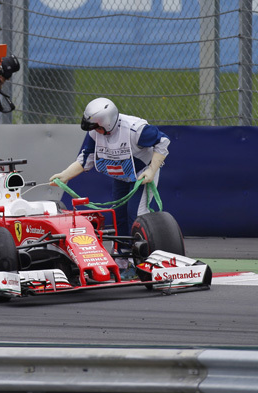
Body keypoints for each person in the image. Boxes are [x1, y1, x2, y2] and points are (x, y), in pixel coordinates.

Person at [49, 98, 170, 279]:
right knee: (118, 215)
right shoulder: (94, 132)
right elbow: (86, 158)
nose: (94, 132)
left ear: (107, 122)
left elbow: (163, 141)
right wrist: (65, 175)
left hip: (141, 175)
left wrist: (152, 170)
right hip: (121, 176)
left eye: (96, 127)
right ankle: (122, 261)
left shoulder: (135, 130)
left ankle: (143, 262)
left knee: (136, 215)